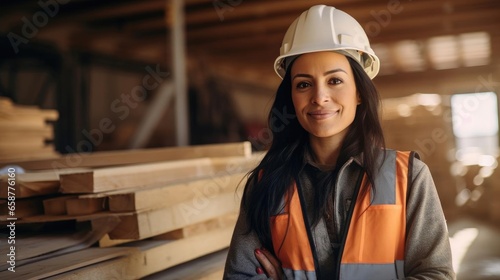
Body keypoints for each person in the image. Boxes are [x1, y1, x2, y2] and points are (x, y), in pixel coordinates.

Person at [223, 5, 455, 280]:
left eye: (334, 80)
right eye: (303, 84)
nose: (319, 97)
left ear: (359, 92)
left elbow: (436, 274)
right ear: (292, 97)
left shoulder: (410, 178)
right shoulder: (267, 184)